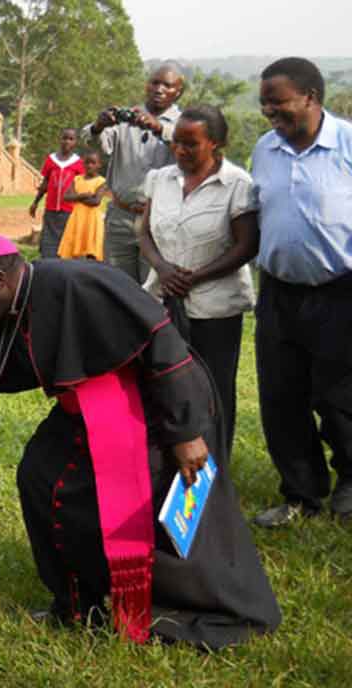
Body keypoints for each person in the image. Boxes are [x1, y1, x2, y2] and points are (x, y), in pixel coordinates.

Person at [0, 233, 281, 649]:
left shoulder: (79, 282)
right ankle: (77, 603)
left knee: (144, 502)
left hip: (159, 410)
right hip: (85, 411)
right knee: (42, 476)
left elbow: (163, 344)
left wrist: (186, 433)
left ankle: (176, 607)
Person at [249, 58, 352, 527]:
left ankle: (350, 481)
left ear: (310, 96)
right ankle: (301, 493)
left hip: (340, 292)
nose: (271, 113)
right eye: (265, 105)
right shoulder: (265, 150)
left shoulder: (347, 144)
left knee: (339, 395)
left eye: (279, 103)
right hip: (279, 293)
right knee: (281, 397)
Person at [139, 105, 258, 457]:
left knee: (213, 390)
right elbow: (143, 232)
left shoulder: (237, 184)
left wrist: (196, 277)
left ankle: (215, 471)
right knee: (164, 384)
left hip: (215, 309)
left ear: (216, 144)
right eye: (176, 142)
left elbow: (247, 244)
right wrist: (163, 268)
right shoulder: (160, 179)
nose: (180, 151)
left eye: (191, 144)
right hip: (162, 301)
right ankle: (168, 463)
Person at [82, 63, 185, 282]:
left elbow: (190, 150)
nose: (159, 89)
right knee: (118, 287)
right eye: (155, 82)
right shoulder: (127, 118)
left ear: (178, 92)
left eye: (167, 85)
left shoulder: (185, 124)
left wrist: (159, 128)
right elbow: (92, 142)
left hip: (160, 219)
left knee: (153, 290)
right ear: (147, 86)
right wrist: (98, 126)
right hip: (121, 216)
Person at [30, 128, 85, 258]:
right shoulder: (51, 160)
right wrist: (35, 202)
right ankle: (48, 265)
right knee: (49, 243)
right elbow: (45, 183)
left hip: (69, 211)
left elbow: (81, 186)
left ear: (75, 142)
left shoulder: (78, 163)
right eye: (64, 138)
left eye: (71, 139)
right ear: (60, 140)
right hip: (51, 209)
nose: (67, 141)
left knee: (66, 243)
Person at [57, 149, 108, 261]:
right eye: (87, 162)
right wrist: (83, 196)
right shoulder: (77, 179)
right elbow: (66, 197)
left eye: (93, 163)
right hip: (77, 219)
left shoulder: (101, 181)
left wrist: (76, 197)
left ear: (99, 165)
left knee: (91, 251)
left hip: (92, 220)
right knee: (74, 249)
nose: (89, 165)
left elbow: (96, 202)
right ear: (83, 164)